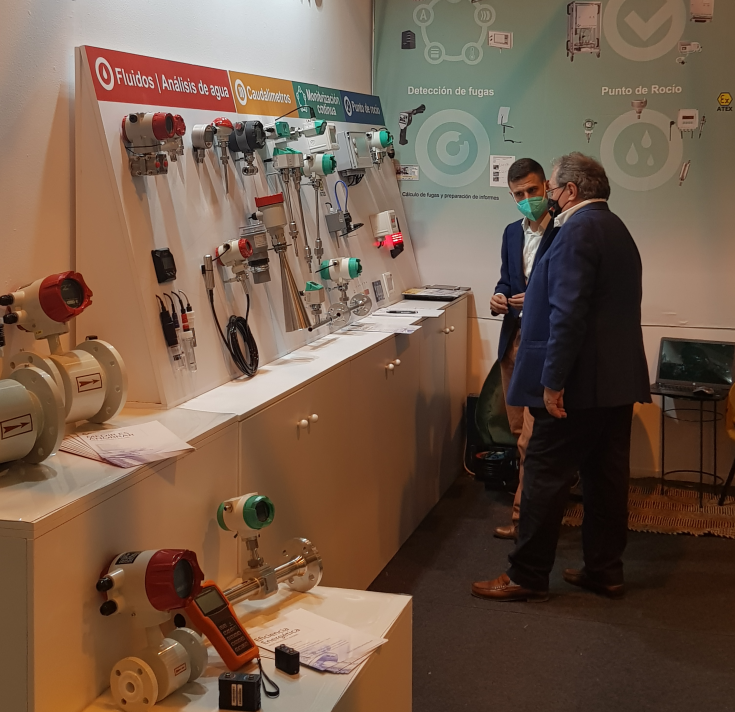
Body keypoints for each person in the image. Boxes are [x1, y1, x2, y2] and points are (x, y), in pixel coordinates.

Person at [472, 153, 650, 602]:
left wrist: (552, 383)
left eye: (549, 187)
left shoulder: (576, 231)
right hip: (615, 382)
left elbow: (566, 314)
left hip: (576, 385)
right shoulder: (616, 228)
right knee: (606, 481)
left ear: (570, 190)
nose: (547, 196)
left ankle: (527, 574)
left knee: (543, 477)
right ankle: (604, 570)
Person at [490, 158, 558, 540]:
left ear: (546, 186)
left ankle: (523, 520)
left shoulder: (563, 230)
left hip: (544, 345)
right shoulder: (510, 233)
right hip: (513, 341)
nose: (527, 199)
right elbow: (507, 279)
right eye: (519, 194)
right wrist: (498, 297)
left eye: (533, 190)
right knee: (518, 432)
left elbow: (565, 289)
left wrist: (532, 299)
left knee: (533, 440)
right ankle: (531, 513)